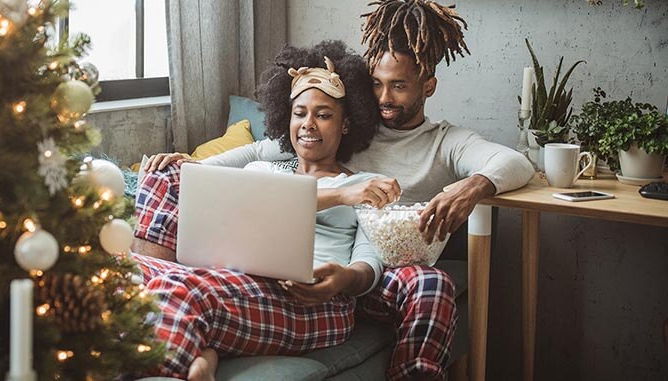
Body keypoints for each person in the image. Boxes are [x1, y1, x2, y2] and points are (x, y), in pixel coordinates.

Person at [134, 1, 535, 380]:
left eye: (398, 86)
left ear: (427, 86)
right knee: (167, 176)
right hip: (281, 262)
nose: (383, 98)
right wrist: (190, 165)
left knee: (432, 282)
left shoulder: (444, 142)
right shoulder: (341, 128)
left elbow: (517, 163)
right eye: (375, 84)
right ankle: (175, 290)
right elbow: (267, 148)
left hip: (380, 265)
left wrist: (472, 185)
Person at [133, 41, 436, 381]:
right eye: (299, 113)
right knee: (119, 272)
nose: (309, 124)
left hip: (314, 302)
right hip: (235, 280)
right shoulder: (260, 172)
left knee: (175, 289)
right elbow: (219, 197)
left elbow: (370, 262)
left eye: (323, 115)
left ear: (346, 124)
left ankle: (164, 359)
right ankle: (197, 353)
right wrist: (338, 196)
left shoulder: (366, 184)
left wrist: (344, 279)